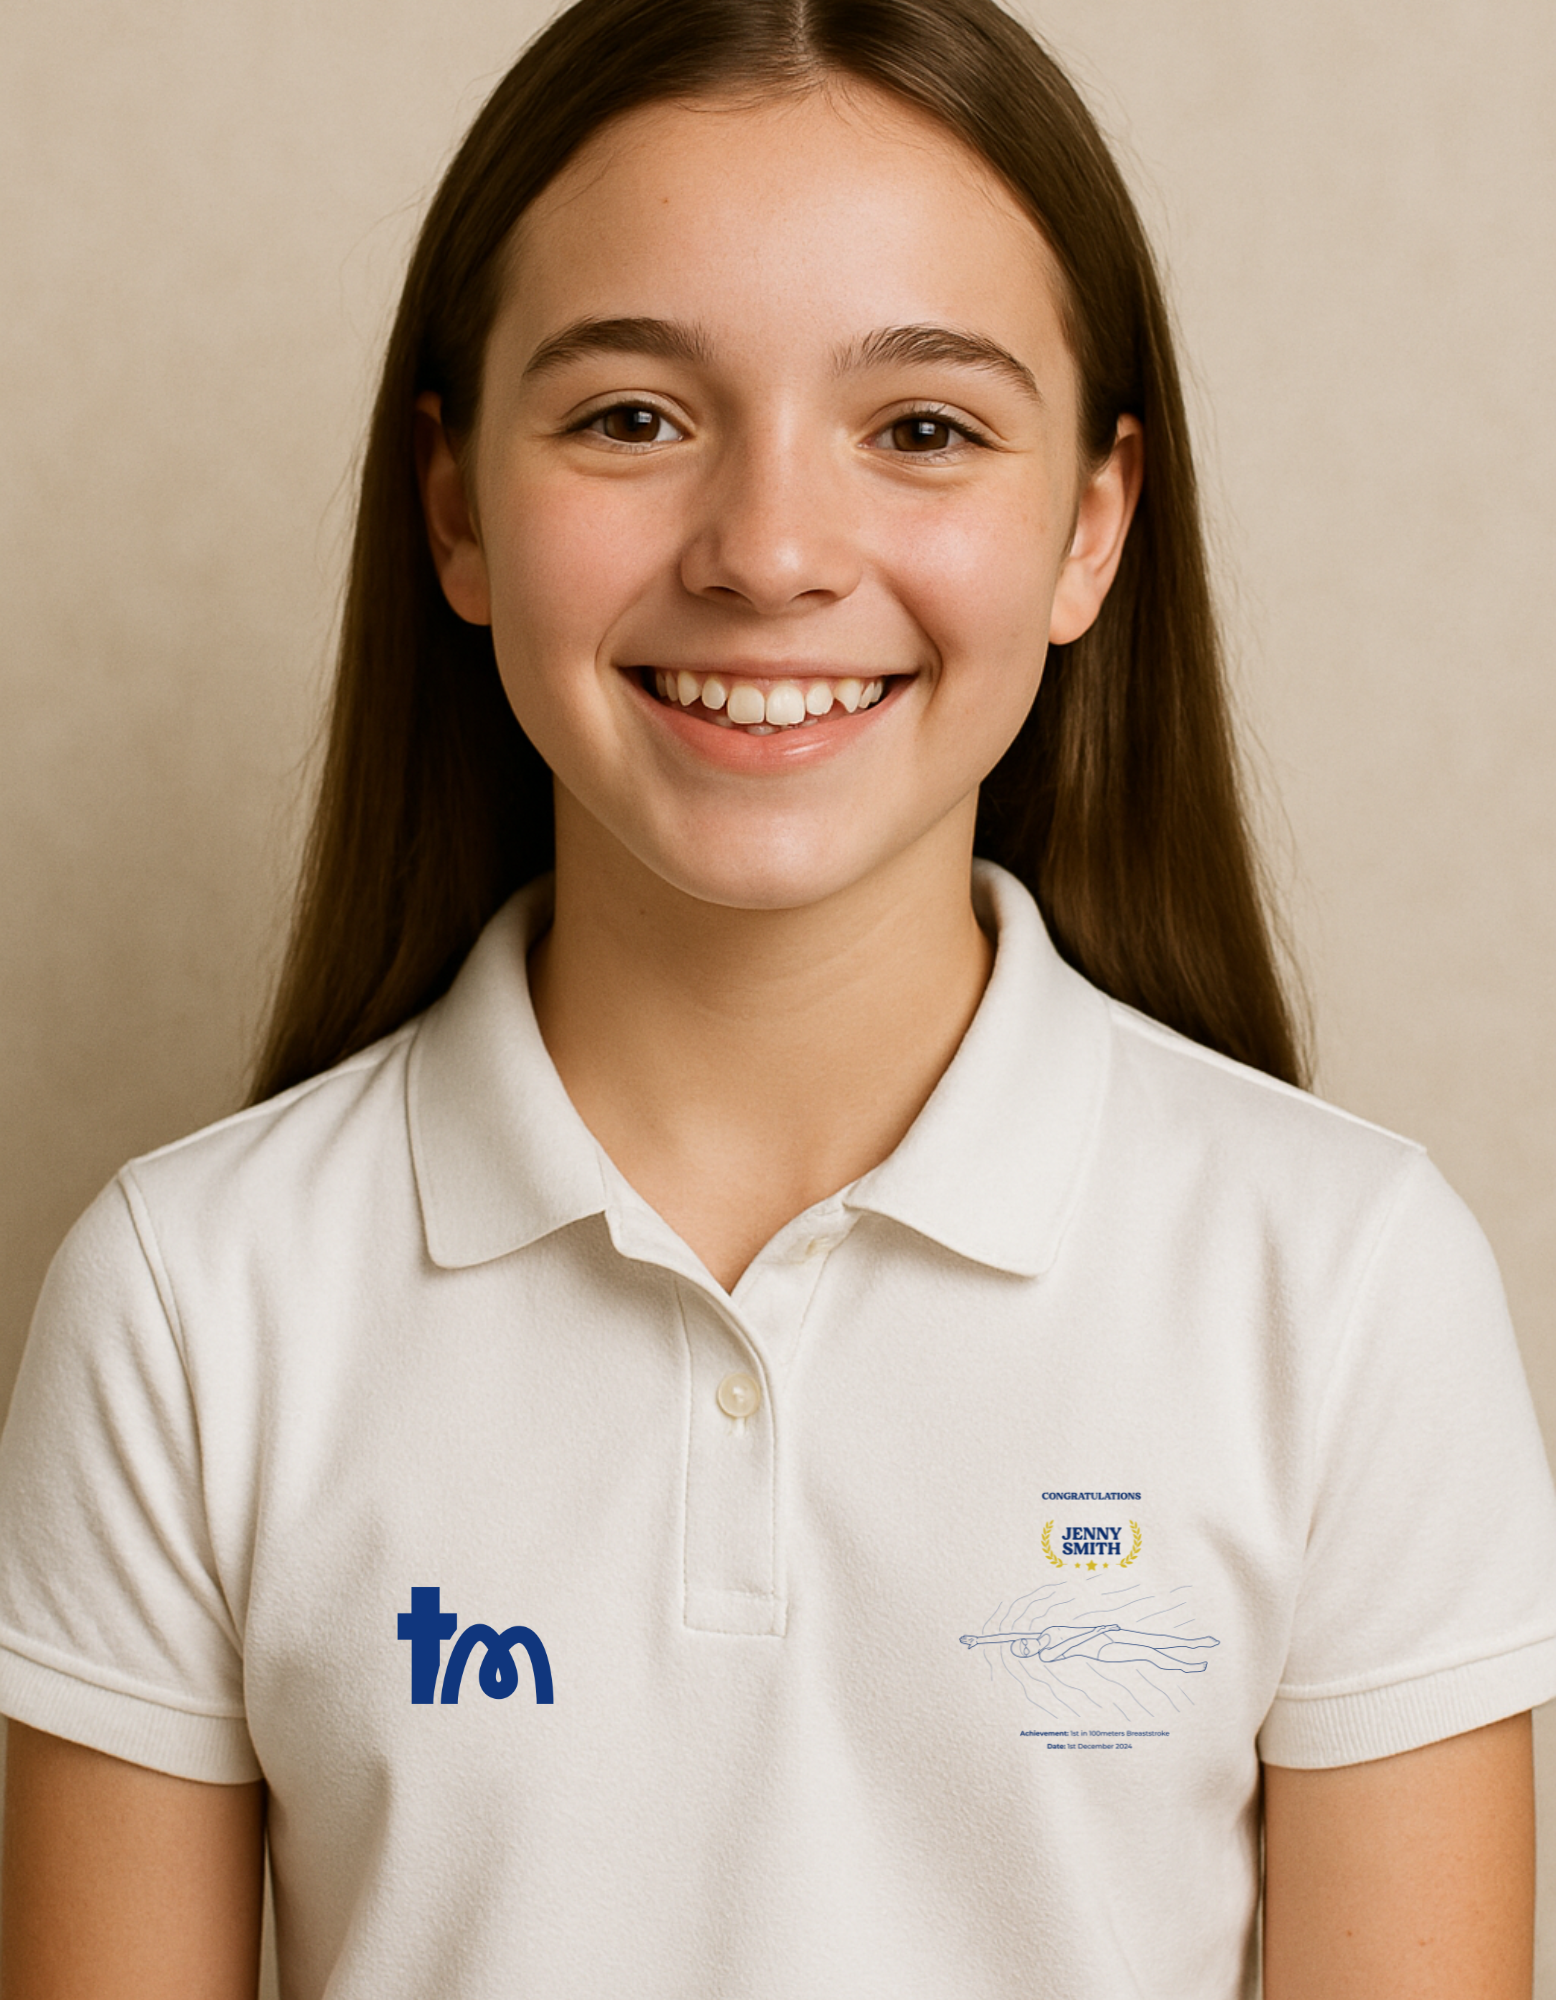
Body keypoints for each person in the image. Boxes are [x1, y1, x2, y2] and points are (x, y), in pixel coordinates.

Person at [1, 0, 1553, 1993]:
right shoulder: (190, 1303)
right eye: (634, 416)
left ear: (1090, 520)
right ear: (458, 501)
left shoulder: (1338, 1284)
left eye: (920, 428)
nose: (770, 552)